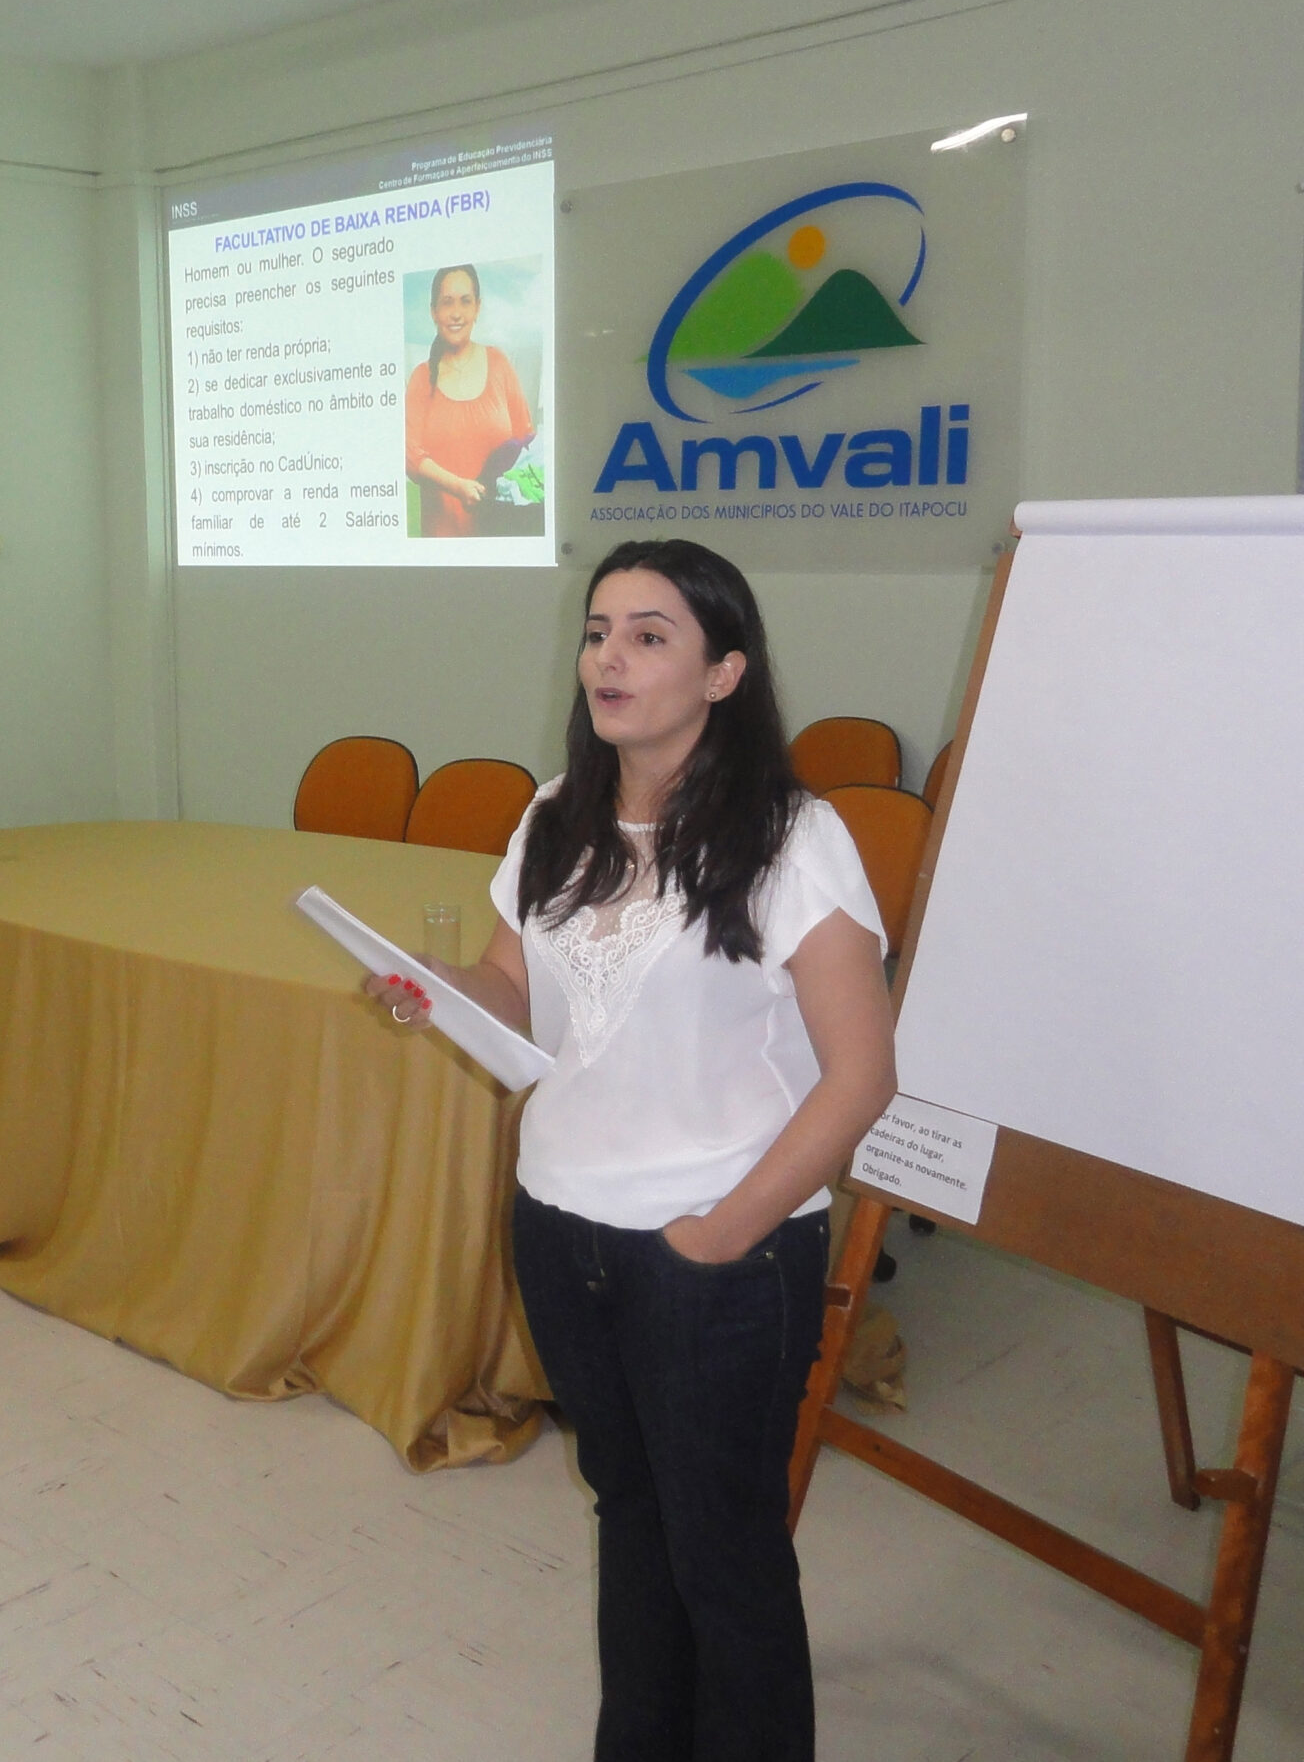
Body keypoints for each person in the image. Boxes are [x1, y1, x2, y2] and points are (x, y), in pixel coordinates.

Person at [368, 539, 896, 1761]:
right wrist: (435, 987)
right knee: (633, 1514)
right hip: (558, 1225)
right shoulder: (556, 812)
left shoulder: (790, 834)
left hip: (713, 1251)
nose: (610, 655)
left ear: (723, 673)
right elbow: (513, 987)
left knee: (725, 1554)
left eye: (650, 634)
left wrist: (721, 1234)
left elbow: (862, 1070)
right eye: (600, 629)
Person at [403, 264, 535, 538]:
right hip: (441, 549)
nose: (456, 313)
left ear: (477, 307)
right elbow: (411, 457)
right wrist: (458, 486)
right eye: (446, 302)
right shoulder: (420, 378)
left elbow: (527, 439)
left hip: (501, 541)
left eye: (465, 301)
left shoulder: (498, 363)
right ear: (433, 311)